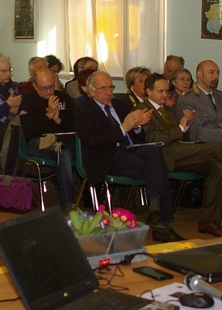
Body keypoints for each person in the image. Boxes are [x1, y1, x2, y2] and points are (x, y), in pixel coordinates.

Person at [138, 73, 222, 237]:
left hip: (180, 150)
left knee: (219, 168)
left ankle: (209, 221)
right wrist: (181, 127)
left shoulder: (167, 110)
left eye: (166, 91)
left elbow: (182, 134)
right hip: (163, 155)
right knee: (217, 148)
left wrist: (187, 122)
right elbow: (153, 138)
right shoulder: (142, 110)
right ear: (148, 91)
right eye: (160, 91)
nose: (165, 95)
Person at [74, 71, 182, 242]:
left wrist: (138, 126)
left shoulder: (119, 105)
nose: (108, 93)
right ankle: (161, 223)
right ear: (91, 90)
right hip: (105, 156)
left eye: (111, 87)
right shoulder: (83, 110)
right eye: (103, 89)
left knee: (155, 152)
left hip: (130, 149)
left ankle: (155, 213)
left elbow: (138, 136)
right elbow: (92, 140)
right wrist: (124, 128)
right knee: (155, 168)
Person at [19, 68, 76, 212]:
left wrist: (58, 120)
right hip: (38, 143)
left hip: (64, 139)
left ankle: (91, 196)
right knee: (62, 153)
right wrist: (48, 115)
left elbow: (75, 124)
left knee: (84, 148)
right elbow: (29, 132)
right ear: (35, 86)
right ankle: (68, 203)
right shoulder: (28, 101)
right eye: (44, 88)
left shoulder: (63, 98)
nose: (49, 91)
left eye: (51, 86)